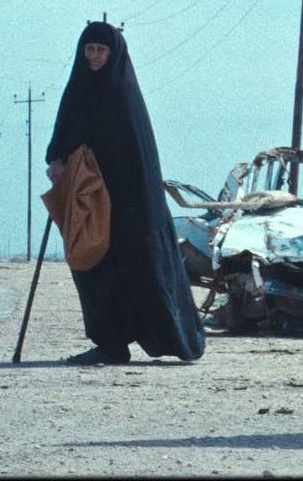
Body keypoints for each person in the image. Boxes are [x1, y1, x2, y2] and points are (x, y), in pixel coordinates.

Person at [45, 20, 205, 365]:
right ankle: (110, 343)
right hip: (88, 201)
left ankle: (176, 339)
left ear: (113, 53)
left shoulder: (123, 95)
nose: (94, 56)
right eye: (89, 49)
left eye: (100, 49)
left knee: (140, 271)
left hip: (129, 204)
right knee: (91, 268)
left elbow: (133, 155)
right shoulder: (77, 91)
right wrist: (57, 161)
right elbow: (62, 137)